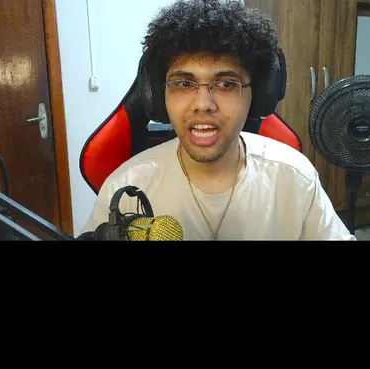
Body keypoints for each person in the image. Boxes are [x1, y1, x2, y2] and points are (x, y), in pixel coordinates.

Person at [78, 0, 353, 240]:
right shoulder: (126, 186)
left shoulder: (295, 177)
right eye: (184, 83)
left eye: (226, 84)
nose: (203, 104)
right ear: (158, 96)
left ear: (258, 96)